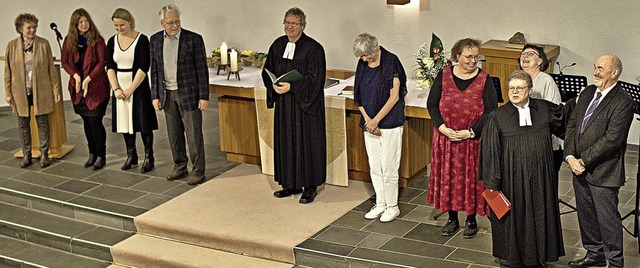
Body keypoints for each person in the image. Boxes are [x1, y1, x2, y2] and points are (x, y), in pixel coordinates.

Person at [480, 70, 565, 267]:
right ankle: (509, 257)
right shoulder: (497, 117)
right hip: (511, 178)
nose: (515, 92)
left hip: (541, 177)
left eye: (519, 88)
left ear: (530, 90)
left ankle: (540, 255)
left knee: (539, 213)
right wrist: (492, 182)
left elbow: (565, 124)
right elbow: (490, 151)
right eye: (511, 88)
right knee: (512, 219)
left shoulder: (543, 109)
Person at [565, 54, 634, 268]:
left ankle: (615, 262)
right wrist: (569, 157)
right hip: (578, 168)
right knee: (585, 214)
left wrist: (583, 161)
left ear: (614, 73)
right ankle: (594, 254)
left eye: (600, 68)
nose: (595, 72)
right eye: (595, 67)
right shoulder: (586, 93)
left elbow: (612, 140)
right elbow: (572, 125)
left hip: (604, 171)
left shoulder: (623, 101)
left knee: (608, 220)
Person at [426, 38, 498, 239]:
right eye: (469, 57)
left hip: (472, 141)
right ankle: (452, 218)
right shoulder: (444, 75)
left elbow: (491, 112)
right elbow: (432, 105)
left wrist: (472, 132)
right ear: (457, 56)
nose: (473, 61)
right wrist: (442, 127)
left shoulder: (485, 79)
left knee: (471, 180)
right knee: (449, 177)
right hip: (446, 140)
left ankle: (471, 219)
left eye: (476, 57)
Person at [261, 7, 326, 204]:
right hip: (284, 105)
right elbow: (267, 70)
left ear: (303, 26)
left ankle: (310, 187)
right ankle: (290, 184)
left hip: (304, 108)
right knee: (286, 143)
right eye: (286, 22)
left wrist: (293, 86)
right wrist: (273, 83)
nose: (289, 27)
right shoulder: (278, 45)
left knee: (306, 145)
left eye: (294, 23)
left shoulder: (314, 48)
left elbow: (316, 79)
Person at [150, 4, 208, 185]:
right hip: (167, 94)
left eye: (177, 21)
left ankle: (198, 170)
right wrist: (155, 95)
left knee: (193, 135)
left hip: (189, 94)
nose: (174, 26)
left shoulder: (193, 39)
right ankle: (180, 166)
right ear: (162, 23)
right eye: (170, 22)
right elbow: (155, 70)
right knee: (174, 134)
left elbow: (202, 70)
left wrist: (203, 96)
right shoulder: (155, 40)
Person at [352, 33, 406, 222]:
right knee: (375, 166)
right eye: (362, 57)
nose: (365, 59)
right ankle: (380, 203)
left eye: (368, 55)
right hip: (369, 124)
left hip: (389, 122)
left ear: (375, 48)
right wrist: (369, 121)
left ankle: (392, 206)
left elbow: (394, 97)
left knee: (389, 166)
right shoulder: (362, 63)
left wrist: (376, 121)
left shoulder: (391, 62)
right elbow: (358, 96)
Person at [4, 13, 62, 168]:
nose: (32, 30)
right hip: (20, 91)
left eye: (34, 27)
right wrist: (8, 92)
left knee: (42, 122)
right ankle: (27, 154)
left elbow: (51, 69)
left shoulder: (43, 44)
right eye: (29, 27)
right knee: (23, 123)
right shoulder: (12, 46)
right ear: (20, 28)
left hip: (40, 90)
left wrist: (56, 90)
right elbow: (7, 71)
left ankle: (44, 154)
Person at [106, 8, 158, 173]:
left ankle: (149, 156)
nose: (119, 29)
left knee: (143, 123)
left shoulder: (142, 40)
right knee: (124, 122)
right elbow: (110, 66)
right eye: (116, 26)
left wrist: (130, 89)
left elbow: (144, 66)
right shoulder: (112, 41)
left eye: (122, 25)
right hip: (119, 87)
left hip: (138, 86)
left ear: (129, 21)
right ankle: (131, 155)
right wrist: (116, 88)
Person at [61, 8, 110, 170]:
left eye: (86, 21)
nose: (84, 24)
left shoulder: (98, 40)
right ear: (75, 25)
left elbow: (101, 63)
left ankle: (101, 155)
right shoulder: (69, 40)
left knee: (95, 121)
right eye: (80, 22)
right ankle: (92, 154)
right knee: (86, 122)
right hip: (78, 89)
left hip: (96, 88)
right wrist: (75, 76)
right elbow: (65, 63)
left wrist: (88, 79)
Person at [519, 44, 563, 171]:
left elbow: (554, 113)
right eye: (523, 54)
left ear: (539, 61)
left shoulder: (546, 81)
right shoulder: (518, 79)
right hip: (524, 141)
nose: (525, 56)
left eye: (531, 53)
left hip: (544, 144)